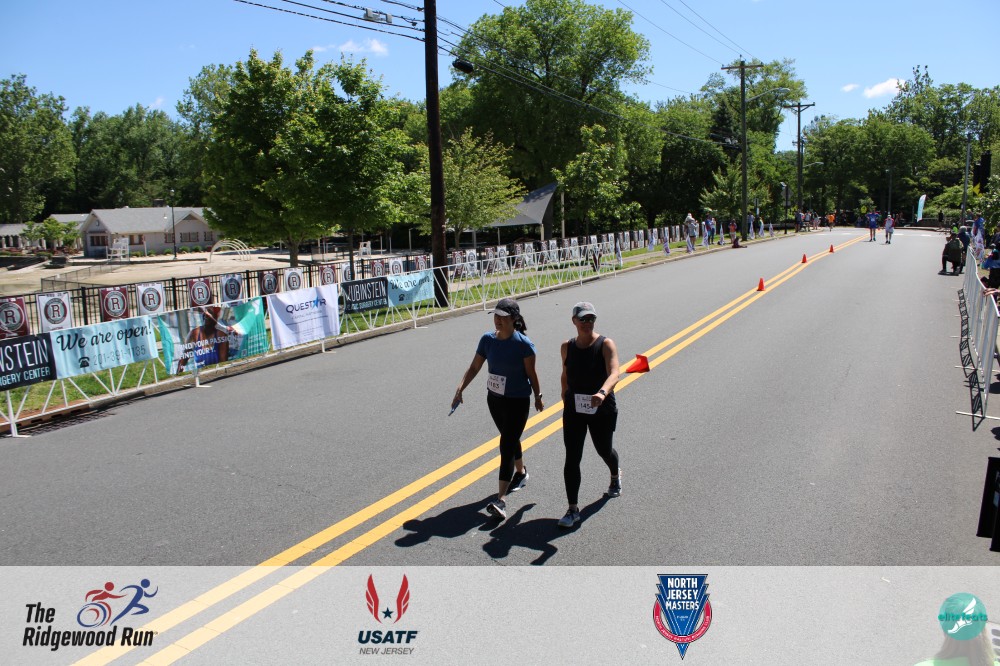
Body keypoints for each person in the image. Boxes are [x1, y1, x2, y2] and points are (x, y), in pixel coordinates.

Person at [453, 297, 544, 520]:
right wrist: (460, 388)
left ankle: (501, 500)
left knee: (506, 444)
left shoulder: (524, 345)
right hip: (495, 400)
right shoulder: (487, 340)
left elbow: (531, 374)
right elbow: (475, 367)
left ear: (514, 319)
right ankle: (521, 472)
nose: (497, 320)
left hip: (518, 401)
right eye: (495, 315)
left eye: (502, 317)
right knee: (509, 437)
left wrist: (537, 396)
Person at [557, 302, 621, 528]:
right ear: (574, 321)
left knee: (604, 449)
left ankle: (615, 475)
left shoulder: (605, 344)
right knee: (572, 457)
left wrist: (602, 393)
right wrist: (564, 394)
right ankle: (572, 509)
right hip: (575, 409)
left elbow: (615, 372)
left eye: (591, 318)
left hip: (601, 407)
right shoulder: (567, 346)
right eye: (583, 319)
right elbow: (565, 373)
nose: (587, 323)